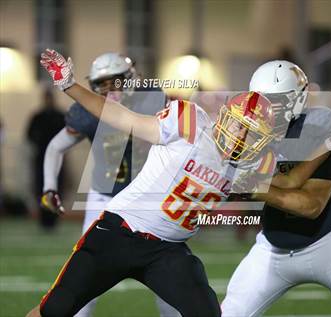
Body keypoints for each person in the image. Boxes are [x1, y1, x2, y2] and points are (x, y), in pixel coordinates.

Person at [27, 49, 281, 317]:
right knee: (55, 310)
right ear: (226, 117)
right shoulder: (190, 123)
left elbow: (284, 192)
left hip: (167, 250)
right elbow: (122, 117)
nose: (243, 137)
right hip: (120, 232)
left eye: (253, 133)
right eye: (239, 125)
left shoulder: (257, 164)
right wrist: (70, 86)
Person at [221, 60, 331, 317]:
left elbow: (310, 206)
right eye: (259, 99)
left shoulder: (316, 131)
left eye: (274, 100)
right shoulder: (248, 136)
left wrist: (252, 187)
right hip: (274, 247)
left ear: (297, 100)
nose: (264, 108)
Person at [39, 52, 179, 317]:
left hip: (149, 201)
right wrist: (49, 186)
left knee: (170, 282)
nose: (109, 90)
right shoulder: (88, 110)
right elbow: (56, 147)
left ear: (130, 78)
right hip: (104, 200)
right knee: (83, 278)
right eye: (102, 84)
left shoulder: (152, 100)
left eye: (114, 81)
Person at [26, 89, 66, 229]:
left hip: (58, 160)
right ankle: (44, 219)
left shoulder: (60, 116)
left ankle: (53, 219)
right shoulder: (38, 117)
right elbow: (29, 135)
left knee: (56, 189)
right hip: (41, 159)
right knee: (42, 188)